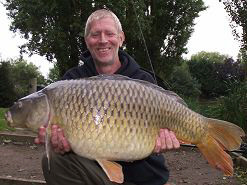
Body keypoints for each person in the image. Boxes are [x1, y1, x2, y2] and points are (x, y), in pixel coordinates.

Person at [35, 9, 180, 185]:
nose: (103, 40)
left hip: (144, 178)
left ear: (121, 38)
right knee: (53, 161)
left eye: (109, 33)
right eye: (95, 34)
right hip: (96, 175)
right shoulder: (70, 81)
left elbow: (163, 133)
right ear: (87, 40)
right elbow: (58, 137)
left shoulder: (143, 80)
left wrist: (162, 143)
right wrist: (59, 145)